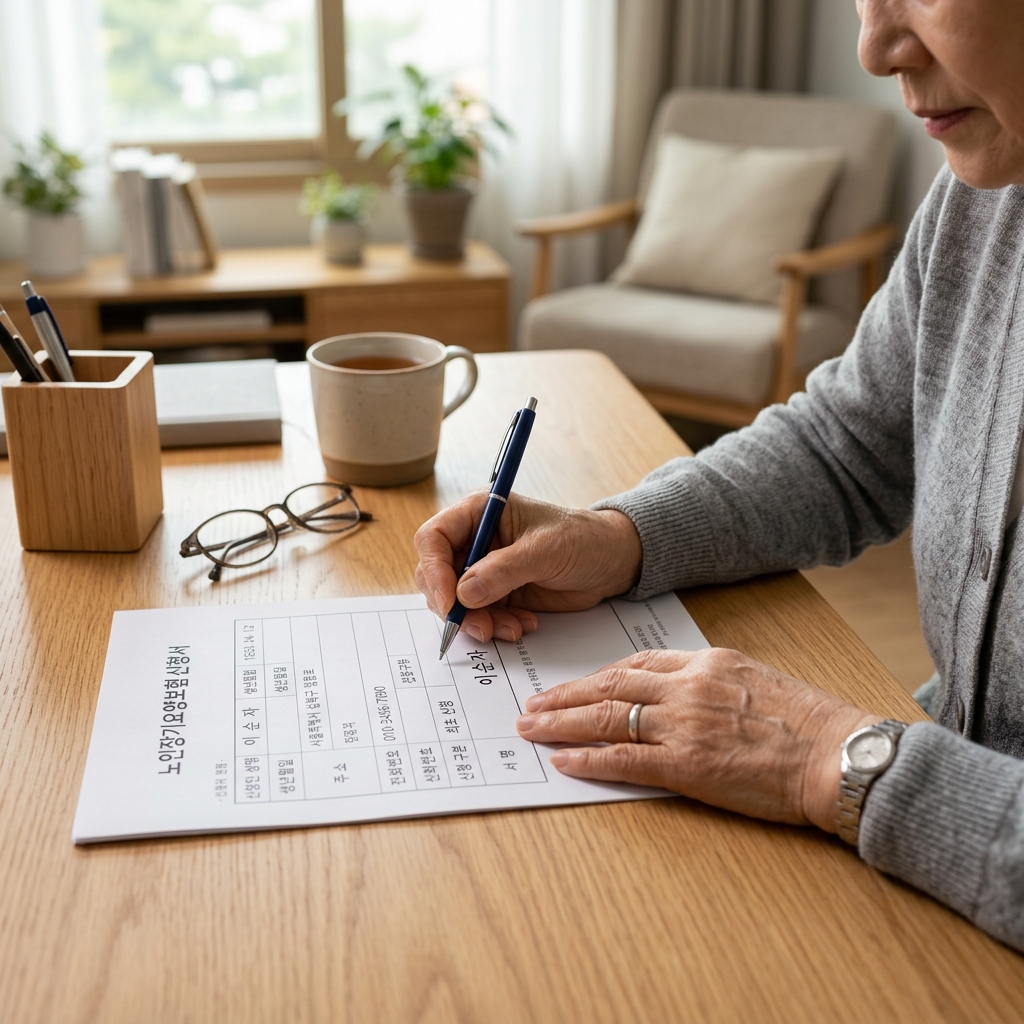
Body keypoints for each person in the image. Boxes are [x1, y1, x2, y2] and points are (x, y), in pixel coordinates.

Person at [414, 0, 1024, 950]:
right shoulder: (981, 200)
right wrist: (622, 537)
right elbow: (843, 445)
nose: (872, 49)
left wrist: (838, 759)